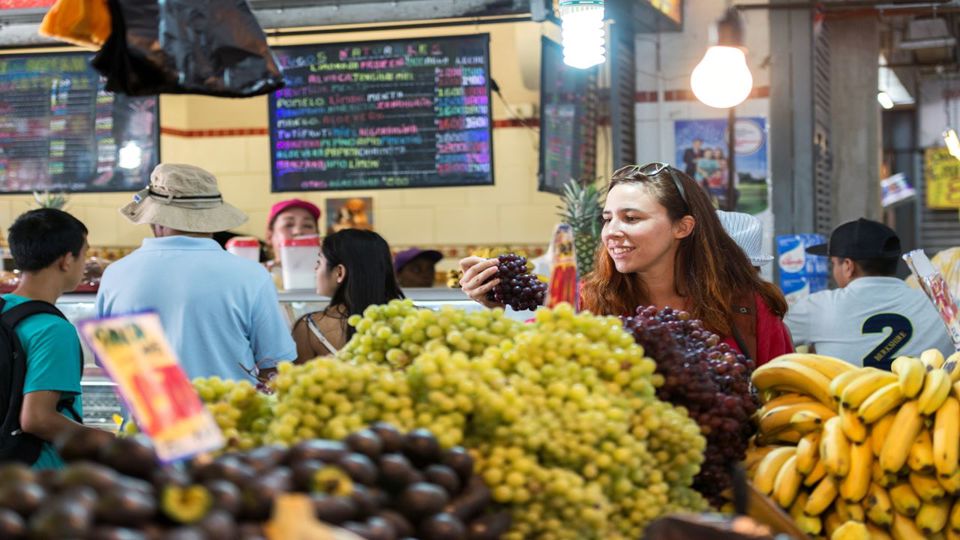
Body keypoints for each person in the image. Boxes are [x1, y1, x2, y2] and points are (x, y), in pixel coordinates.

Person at [459, 163, 793, 366]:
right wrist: (494, 305)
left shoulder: (749, 308)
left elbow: (786, 401)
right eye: (607, 219)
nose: (613, 232)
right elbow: (528, 359)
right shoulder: (587, 302)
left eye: (631, 218)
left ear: (683, 227)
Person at [96, 164, 296, 381]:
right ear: (214, 219)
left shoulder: (116, 274)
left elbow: (110, 361)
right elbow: (274, 364)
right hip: (231, 413)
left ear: (154, 217)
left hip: (146, 414)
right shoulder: (251, 276)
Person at [5, 209, 111, 468]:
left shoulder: (4, 306)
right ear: (66, 260)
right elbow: (37, 418)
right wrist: (111, 441)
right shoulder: (52, 329)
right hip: (37, 474)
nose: (85, 262)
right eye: (84, 253)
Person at [784, 218, 954, 368]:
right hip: (928, 402)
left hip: (842, 402)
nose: (833, 270)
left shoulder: (817, 308)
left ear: (848, 266)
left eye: (834, 263)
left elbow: (768, 337)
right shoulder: (944, 306)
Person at [292, 229, 404, 362]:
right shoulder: (411, 322)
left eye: (319, 262)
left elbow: (298, 380)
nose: (315, 270)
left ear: (339, 272)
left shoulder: (310, 328)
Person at [266, 199, 321, 268]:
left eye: (307, 226)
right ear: (269, 236)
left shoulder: (332, 276)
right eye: (288, 225)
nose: (298, 232)